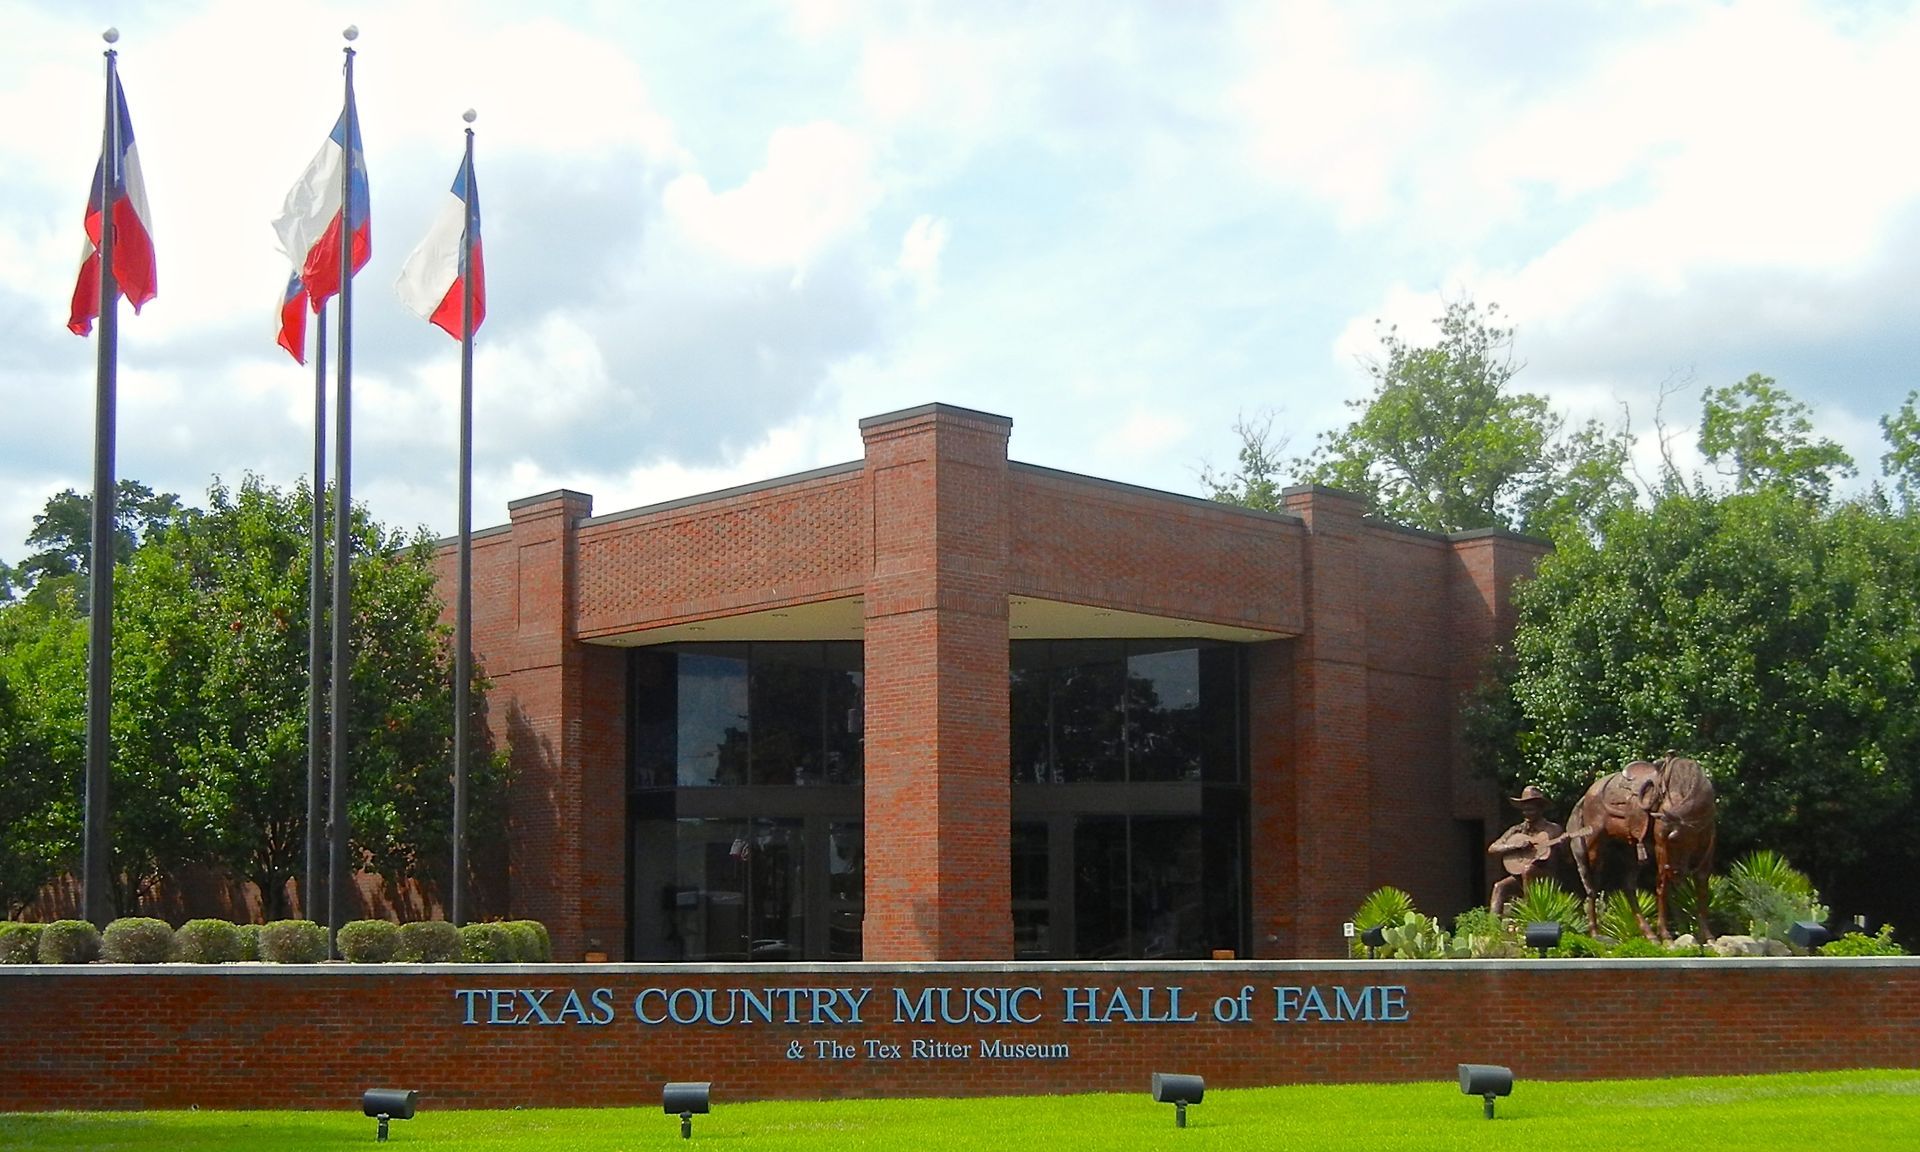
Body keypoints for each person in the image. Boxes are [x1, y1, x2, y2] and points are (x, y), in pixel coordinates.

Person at [1487, 786, 1566, 916]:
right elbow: (1493, 848)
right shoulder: (1517, 830)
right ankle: (1491, 926)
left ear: (1540, 809)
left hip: (1546, 875)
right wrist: (1515, 846)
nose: (1526, 813)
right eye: (1524, 810)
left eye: (1530, 809)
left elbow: (1565, 856)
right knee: (1499, 887)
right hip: (1521, 877)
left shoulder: (1553, 829)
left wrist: (1562, 845)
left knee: (1528, 870)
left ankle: (1529, 916)